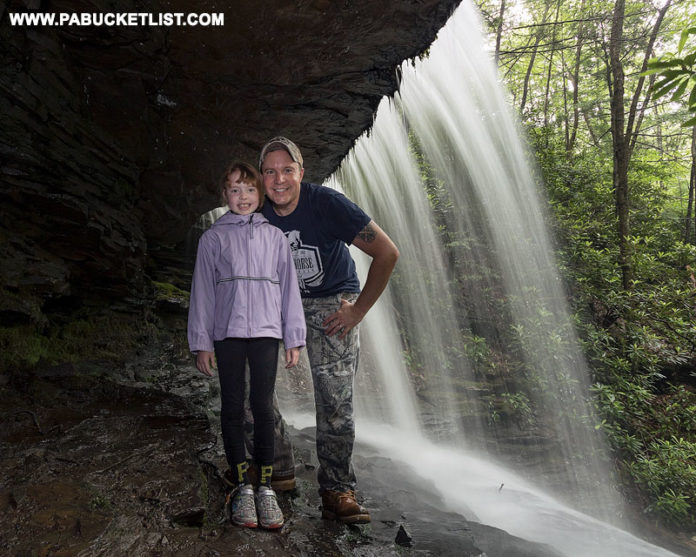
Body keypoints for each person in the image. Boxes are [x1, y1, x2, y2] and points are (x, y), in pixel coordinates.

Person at [258, 137, 399, 524]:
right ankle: (278, 467)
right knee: (250, 380)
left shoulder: (327, 204)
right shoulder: (255, 212)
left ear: (301, 173)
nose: (279, 179)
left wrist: (358, 310)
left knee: (334, 399)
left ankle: (337, 489)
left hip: (331, 300)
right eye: (270, 171)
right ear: (261, 178)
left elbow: (387, 252)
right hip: (277, 300)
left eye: (288, 169)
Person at [187, 161, 306, 530]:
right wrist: (201, 342)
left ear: (260, 195)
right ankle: (242, 484)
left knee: (262, 405)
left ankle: (266, 486)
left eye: (250, 190)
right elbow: (203, 293)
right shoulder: (213, 239)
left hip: (268, 333)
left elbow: (289, 289)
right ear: (224, 195)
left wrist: (294, 336)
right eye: (235, 190)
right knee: (233, 406)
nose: (243, 197)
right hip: (228, 333)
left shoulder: (275, 237)